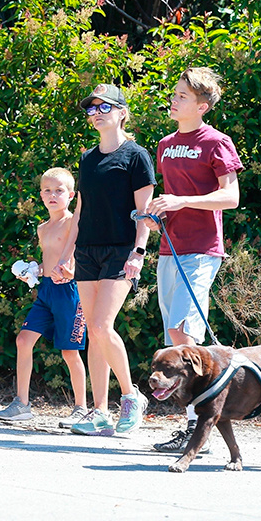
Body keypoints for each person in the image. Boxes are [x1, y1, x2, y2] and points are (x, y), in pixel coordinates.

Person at [145, 67, 242, 453]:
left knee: (186, 334)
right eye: (175, 93)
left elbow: (230, 197)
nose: (173, 98)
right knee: (174, 337)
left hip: (202, 249)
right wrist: (158, 216)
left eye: (182, 95)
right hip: (169, 247)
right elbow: (172, 196)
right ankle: (197, 423)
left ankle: (199, 425)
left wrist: (183, 201)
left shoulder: (216, 141)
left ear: (202, 106)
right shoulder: (166, 143)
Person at [54, 84, 155, 436]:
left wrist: (138, 253)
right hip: (87, 253)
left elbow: (144, 213)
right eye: (91, 109)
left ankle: (130, 397)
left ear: (122, 112)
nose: (96, 113)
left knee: (100, 326)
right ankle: (99, 411)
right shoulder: (87, 158)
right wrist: (66, 254)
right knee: (94, 336)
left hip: (121, 250)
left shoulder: (136, 156)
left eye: (104, 107)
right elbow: (80, 212)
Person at [0, 168, 88, 428]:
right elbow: (49, 263)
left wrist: (74, 271)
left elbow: (82, 257)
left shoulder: (74, 222)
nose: (52, 195)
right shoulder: (42, 228)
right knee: (23, 340)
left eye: (59, 191)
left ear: (71, 195)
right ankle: (21, 404)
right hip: (46, 291)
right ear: (41, 195)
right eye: (47, 190)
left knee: (70, 352)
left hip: (71, 293)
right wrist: (32, 272)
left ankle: (81, 408)